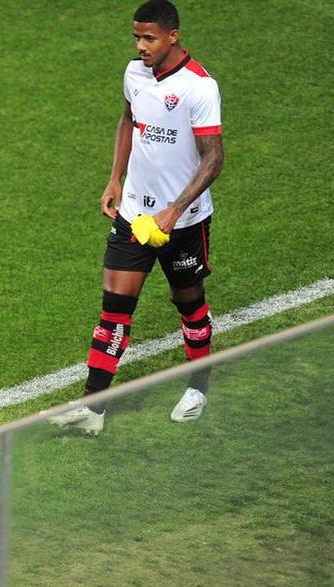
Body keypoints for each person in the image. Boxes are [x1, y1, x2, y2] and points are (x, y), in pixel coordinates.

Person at [51, 0, 223, 435]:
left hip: (183, 223)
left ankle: (198, 386)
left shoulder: (199, 87)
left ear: (172, 36)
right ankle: (93, 408)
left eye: (148, 38)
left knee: (190, 304)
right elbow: (129, 120)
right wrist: (115, 179)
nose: (141, 46)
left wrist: (175, 208)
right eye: (136, 37)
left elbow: (213, 159)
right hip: (134, 215)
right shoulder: (134, 74)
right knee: (114, 311)